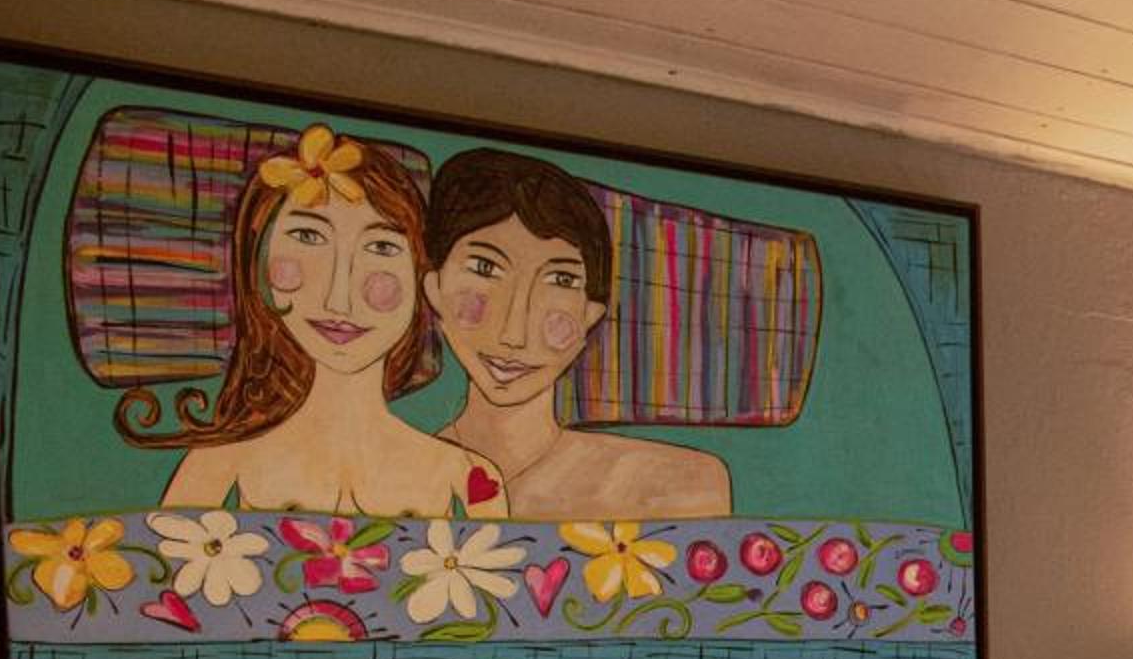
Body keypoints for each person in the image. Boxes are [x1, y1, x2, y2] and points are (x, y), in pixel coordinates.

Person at [126, 124, 508, 520]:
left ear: (422, 278)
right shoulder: (222, 461)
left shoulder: (468, 478)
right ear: (257, 264)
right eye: (308, 236)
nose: (339, 299)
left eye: (381, 247)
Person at [421, 148, 732, 520]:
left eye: (560, 280)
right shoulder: (398, 480)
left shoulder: (679, 484)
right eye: (485, 268)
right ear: (434, 288)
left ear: (590, 314)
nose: (513, 334)